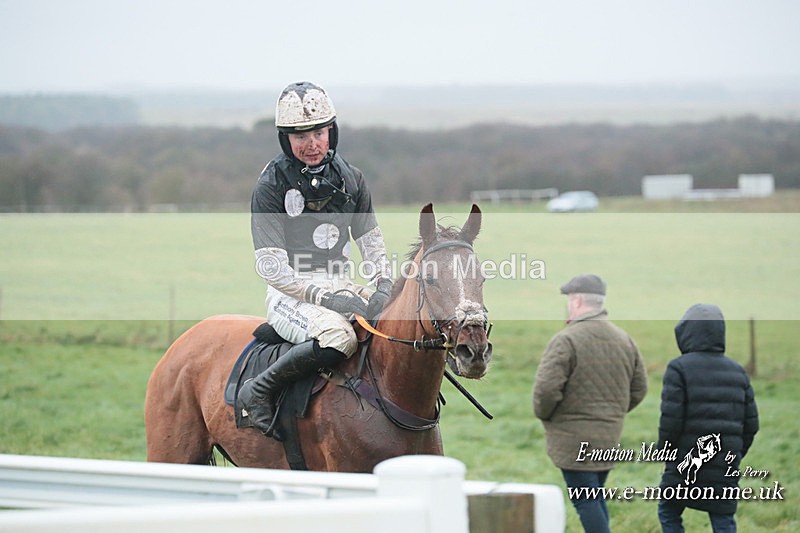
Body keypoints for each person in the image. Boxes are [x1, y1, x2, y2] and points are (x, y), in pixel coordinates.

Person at [240, 81, 393, 441]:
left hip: (341, 284)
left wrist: (384, 284)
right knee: (340, 337)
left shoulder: (352, 179)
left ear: (332, 132)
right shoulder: (271, 186)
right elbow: (272, 268)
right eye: (299, 136)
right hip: (291, 295)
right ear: (285, 140)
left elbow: (372, 245)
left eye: (319, 133)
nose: (311, 144)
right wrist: (325, 298)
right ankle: (258, 391)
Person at [533, 274, 648, 533]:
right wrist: (613, 412)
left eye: (569, 300)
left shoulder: (566, 340)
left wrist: (547, 415)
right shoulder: (624, 339)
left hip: (573, 442)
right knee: (594, 498)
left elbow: (545, 393)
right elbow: (640, 388)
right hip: (609, 437)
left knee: (586, 501)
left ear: (577, 301)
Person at [657, 303, 759, 533]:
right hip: (725, 464)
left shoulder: (678, 368)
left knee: (668, 510)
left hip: (684, 463)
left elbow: (670, 422)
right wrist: (732, 455)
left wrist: (665, 453)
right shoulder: (738, 371)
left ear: (685, 332)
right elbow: (751, 425)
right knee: (723, 519)